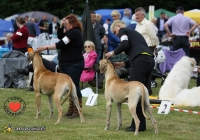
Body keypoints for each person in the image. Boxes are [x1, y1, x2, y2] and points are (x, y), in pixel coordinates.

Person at [105, 20, 155, 132]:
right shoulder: (134, 34)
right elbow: (136, 54)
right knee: (142, 93)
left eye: (115, 32)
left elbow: (124, 45)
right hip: (149, 60)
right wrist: (122, 64)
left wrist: (112, 53)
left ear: (118, 26)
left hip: (140, 62)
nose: (117, 35)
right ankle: (141, 125)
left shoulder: (124, 30)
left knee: (134, 92)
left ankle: (136, 125)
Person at [36, 14, 84, 119]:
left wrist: (45, 47)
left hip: (73, 64)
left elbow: (61, 43)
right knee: (70, 88)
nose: (65, 25)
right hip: (67, 64)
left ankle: (77, 110)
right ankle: (71, 109)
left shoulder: (74, 33)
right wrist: (61, 26)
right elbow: (60, 37)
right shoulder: (70, 32)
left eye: (66, 24)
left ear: (72, 23)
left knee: (74, 86)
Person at [135, 7, 159, 94]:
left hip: (147, 49)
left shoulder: (148, 24)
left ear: (143, 15)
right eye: (135, 15)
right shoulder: (138, 25)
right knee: (143, 71)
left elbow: (153, 37)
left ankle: (147, 90)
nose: (136, 17)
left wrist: (153, 48)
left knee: (145, 70)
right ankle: (146, 90)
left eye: (137, 15)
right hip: (139, 49)